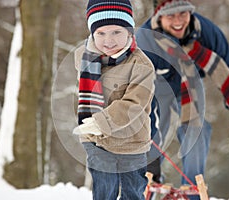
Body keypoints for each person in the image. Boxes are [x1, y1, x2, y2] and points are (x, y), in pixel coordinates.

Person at [136, 0, 229, 199]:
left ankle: (190, 191)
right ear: (158, 16)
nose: (178, 21)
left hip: (188, 90)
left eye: (182, 13)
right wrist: (148, 147)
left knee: (197, 130)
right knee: (156, 134)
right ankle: (142, 184)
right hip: (154, 92)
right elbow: (139, 96)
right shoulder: (146, 40)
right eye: (170, 15)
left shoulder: (205, 31)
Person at [72, 0, 155, 199]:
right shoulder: (84, 57)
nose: (108, 40)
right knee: (104, 189)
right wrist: (92, 126)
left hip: (131, 142)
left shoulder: (142, 65)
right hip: (96, 141)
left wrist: (100, 123)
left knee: (132, 191)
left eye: (116, 32)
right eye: (101, 33)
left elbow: (134, 103)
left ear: (129, 32)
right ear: (92, 33)